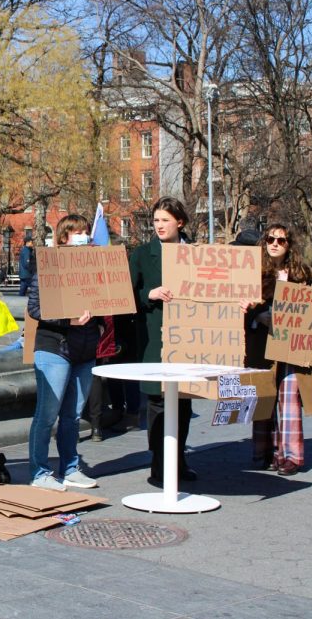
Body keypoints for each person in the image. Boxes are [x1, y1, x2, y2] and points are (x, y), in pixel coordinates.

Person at [26, 214, 100, 491]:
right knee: (47, 414)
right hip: (54, 348)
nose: (82, 236)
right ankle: (39, 472)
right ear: (63, 238)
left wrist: (101, 324)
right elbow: (35, 308)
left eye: (85, 232)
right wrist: (67, 321)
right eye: (76, 232)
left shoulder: (95, 268)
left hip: (85, 348)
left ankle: (70, 467)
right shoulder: (49, 266)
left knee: (72, 415)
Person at [242, 224, 312, 476]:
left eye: (281, 240)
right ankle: (264, 452)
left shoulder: (303, 275)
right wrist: (257, 315)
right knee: (264, 396)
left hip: (291, 347)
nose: (275, 243)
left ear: (289, 245)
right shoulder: (251, 275)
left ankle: (290, 456)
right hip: (260, 345)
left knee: (289, 399)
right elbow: (238, 311)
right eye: (270, 238)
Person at [129, 197, 197, 484]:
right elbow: (127, 296)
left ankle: (178, 461)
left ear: (179, 222)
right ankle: (160, 466)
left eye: (164, 220)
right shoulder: (142, 255)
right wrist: (149, 295)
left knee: (183, 404)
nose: (158, 225)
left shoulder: (196, 253)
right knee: (158, 401)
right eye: (156, 220)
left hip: (190, 339)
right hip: (156, 339)